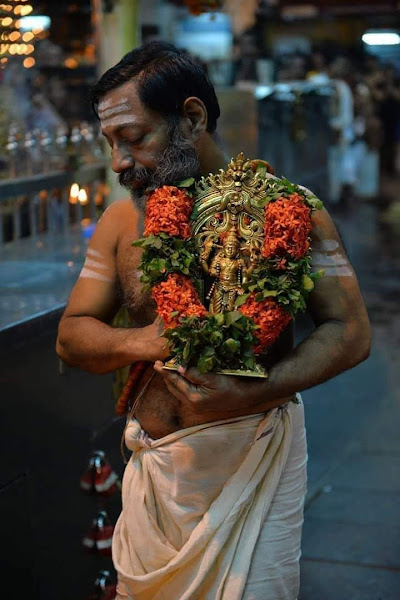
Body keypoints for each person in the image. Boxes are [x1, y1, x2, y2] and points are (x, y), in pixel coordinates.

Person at [56, 42, 371, 600]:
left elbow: (350, 333)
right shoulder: (121, 221)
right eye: (110, 143)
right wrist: (148, 339)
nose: (118, 162)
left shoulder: (294, 209)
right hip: (157, 475)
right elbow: (72, 337)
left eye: (133, 138)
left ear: (193, 118)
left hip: (256, 466)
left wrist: (253, 392)